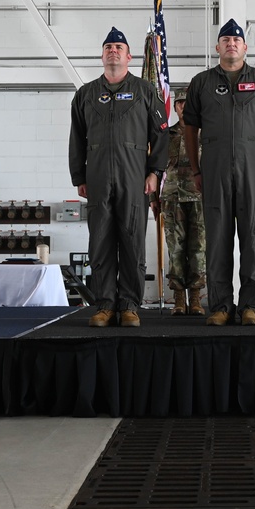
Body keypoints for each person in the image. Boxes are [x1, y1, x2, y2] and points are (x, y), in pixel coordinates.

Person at [183, 19, 255, 326]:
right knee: (216, 239)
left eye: (236, 40)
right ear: (217, 47)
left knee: (254, 238)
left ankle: (250, 306)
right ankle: (220, 306)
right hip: (213, 167)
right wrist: (195, 168)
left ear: (245, 47)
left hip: (253, 166)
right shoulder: (201, 83)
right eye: (225, 39)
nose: (231, 43)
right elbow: (191, 127)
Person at [70, 27, 170, 328]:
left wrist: (155, 172)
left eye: (118, 47)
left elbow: (161, 134)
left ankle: (129, 306)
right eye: (108, 47)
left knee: (132, 242)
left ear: (129, 56)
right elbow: (77, 138)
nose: (113, 50)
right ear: (102, 56)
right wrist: (79, 176)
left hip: (134, 177)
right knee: (99, 243)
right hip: (98, 177)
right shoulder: (86, 94)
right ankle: (104, 305)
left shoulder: (144, 91)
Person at [150, 88, 207, 316]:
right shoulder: (165, 135)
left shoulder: (206, 134)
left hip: (200, 198)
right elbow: (154, 167)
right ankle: (178, 300)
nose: (184, 107)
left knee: (199, 249)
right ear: (175, 107)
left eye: (187, 103)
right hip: (171, 198)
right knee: (175, 249)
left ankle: (195, 298)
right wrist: (153, 199)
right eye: (180, 103)